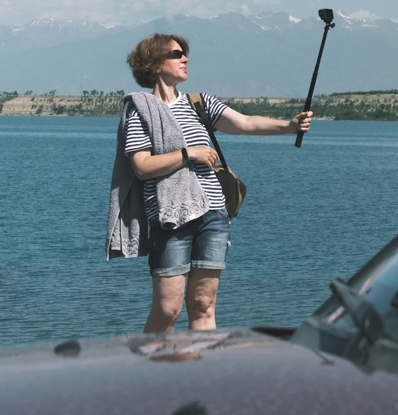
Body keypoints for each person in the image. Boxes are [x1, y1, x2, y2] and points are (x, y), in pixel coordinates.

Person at [106, 33, 311, 334]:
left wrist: (290, 126)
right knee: (168, 308)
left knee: (203, 305)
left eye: (184, 53)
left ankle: (200, 375)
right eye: (177, 54)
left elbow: (245, 123)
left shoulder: (199, 104)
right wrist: (188, 154)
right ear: (154, 63)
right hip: (170, 218)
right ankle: (153, 372)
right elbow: (142, 167)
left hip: (214, 214)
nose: (185, 59)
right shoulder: (140, 109)